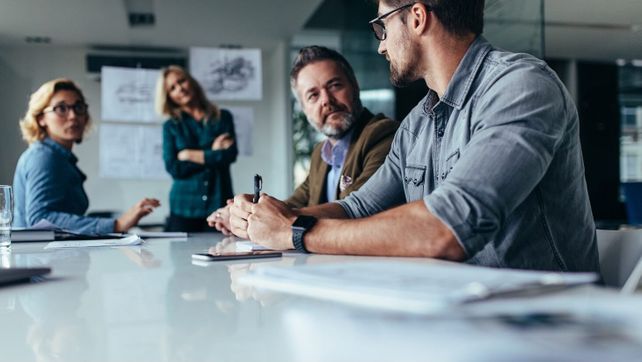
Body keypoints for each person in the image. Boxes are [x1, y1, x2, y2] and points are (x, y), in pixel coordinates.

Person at [228, 0, 600, 272]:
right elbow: (357, 207)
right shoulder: (416, 124)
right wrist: (267, 219)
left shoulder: (521, 86)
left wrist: (295, 233)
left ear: (417, 17)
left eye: (383, 27)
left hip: (545, 328)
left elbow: (448, 228)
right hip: (460, 313)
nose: (381, 45)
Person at [207, 46, 399, 234]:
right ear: (304, 109)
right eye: (313, 95)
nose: (326, 100)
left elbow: (359, 208)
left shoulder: (382, 135)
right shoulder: (320, 153)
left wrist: (261, 219)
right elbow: (293, 204)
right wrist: (245, 211)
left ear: (355, 86)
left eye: (335, 86)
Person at [13, 78, 160, 234]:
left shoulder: (60, 158)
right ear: (41, 118)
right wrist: (116, 225)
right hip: (36, 256)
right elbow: (39, 218)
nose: (73, 116)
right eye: (61, 108)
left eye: (79, 107)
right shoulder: (44, 157)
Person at [157, 65, 238, 232]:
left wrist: (188, 154)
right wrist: (213, 152)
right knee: (178, 258)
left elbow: (229, 155)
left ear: (191, 82)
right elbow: (174, 167)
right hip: (183, 208)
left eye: (181, 81)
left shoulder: (223, 117)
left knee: (221, 253)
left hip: (219, 204)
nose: (180, 88)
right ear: (169, 97)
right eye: (172, 88)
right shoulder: (171, 126)